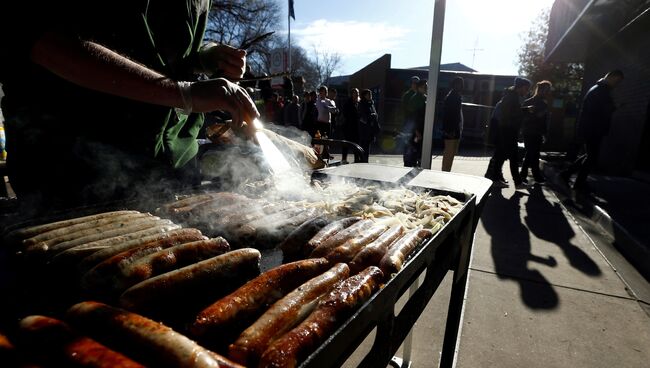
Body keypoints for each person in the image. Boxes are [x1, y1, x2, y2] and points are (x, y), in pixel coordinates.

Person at [0, 1, 259, 208]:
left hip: (175, 164)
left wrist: (206, 57)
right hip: (72, 170)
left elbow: (163, 45)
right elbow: (40, 38)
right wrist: (184, 94)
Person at [561, 70, 624, 190]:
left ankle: (567, 174)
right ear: (612, 77)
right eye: (618, 81)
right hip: (594, 129)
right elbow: (602, 111)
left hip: (590, 128)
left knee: (589, 155)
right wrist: (616, 107)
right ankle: (579, 183)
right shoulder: (602, 91)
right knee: (592, 157)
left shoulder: (597, 88)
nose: (617, 84)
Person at [485, 77, 531, 188]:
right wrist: (525, 111)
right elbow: (510, 115)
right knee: (508, 156)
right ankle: (513, 181)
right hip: (507, 130)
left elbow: (511, 113)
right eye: (526, 88)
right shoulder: (512, 98)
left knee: (504, 156)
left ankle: (500, 179)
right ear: (520, 87)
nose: (527, 91)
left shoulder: (511, 96)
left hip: (506, 130)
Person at [520, 81, 552, 184]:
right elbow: (524, 117)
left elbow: (544, 120)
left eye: (548, 90)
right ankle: (536, 176)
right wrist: (539, 115)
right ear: (541, 89)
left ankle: (524, 175)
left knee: (530, 154)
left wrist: (544, 133)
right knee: (533, 154)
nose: (548, 92)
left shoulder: (537, 102)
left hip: (533, 132)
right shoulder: (536, 102)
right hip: (531, 132)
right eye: (546, 90)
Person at [441, 77, 464, 172]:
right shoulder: (453, 97)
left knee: (450, 152)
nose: (461, 86)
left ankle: (446, 170)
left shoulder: (452, 95)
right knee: (449, 152)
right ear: (455, 85)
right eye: (460, 84)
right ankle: (445, 171)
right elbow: (450, 115)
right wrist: (451, 130)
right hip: (451, 129)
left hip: (453, 128)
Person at [404, 79, 428, 167]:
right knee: (413, 152)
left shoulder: (424, 98)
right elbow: (412, 117)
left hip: (421, 129)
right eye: (425, 86)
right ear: (419, 88)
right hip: (416, 131)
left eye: (426, 86)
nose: (426, 88)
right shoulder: (415, 99)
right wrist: (416, 131)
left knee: (418, 152)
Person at [399, 76, 420, 157]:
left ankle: (414, 162)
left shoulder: (420, 94)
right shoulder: (407, 95)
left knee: (416, 145)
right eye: (413, 83)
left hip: (417, 124)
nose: (415, 85)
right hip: (408, 124)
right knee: (408, 145)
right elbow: (405, 110)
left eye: (417, 83)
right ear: (411, 84)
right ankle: (407, 164)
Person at [358, 89, 380, 161]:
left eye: (371, 94)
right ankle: (362, 161)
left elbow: (375, 114)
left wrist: (374, 116)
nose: (371, 96)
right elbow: (363, 116)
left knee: (367, 145)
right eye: (369, 94)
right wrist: (372, 116)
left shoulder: (371, 103)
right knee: (364, 145)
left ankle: (365, 160)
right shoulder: (362, 104)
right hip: (364, 129)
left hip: (370, 128)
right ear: (364, 96)